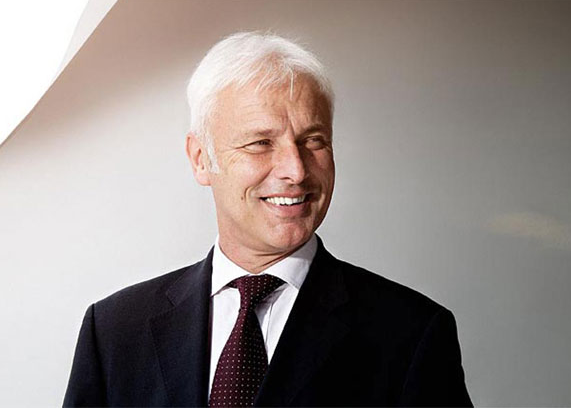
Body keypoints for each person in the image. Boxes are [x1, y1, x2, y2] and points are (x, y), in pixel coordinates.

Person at [63, 31, 473, 407]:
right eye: (261, 143)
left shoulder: (411, 333)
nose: (296, 170)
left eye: (313, 141)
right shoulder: (115, 331)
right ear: (201, 159)